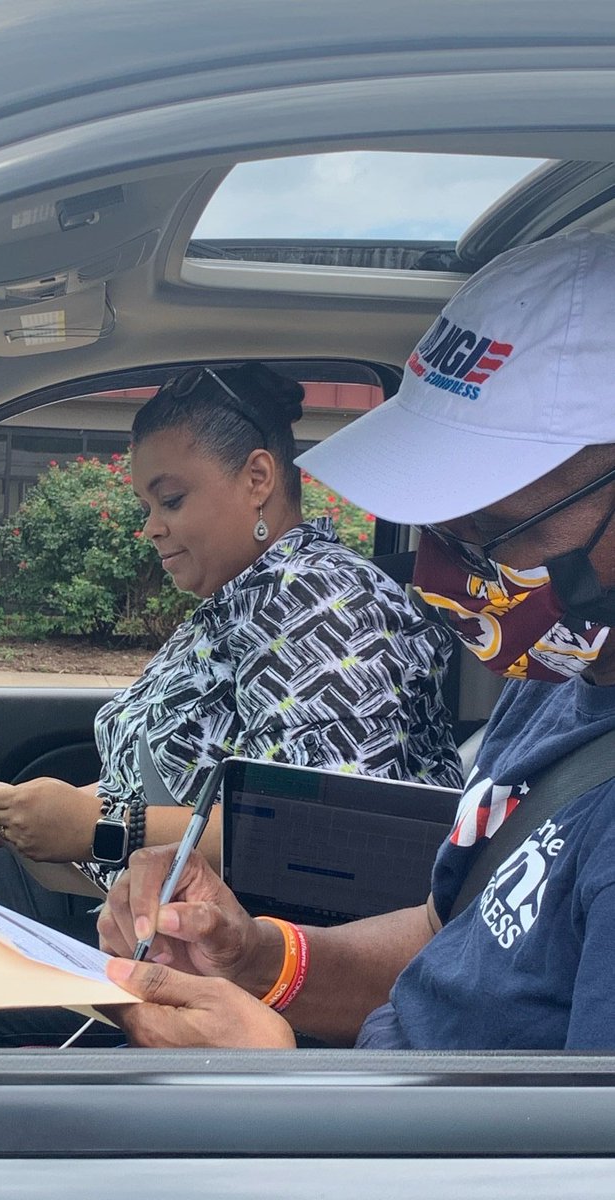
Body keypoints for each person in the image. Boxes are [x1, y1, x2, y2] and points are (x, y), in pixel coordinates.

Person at [98, 230, 615, 1052]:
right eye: (434, 522)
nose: (439, 568)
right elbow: (447, 938)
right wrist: (254, 959)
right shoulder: (558, 685)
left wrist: (273, 1084)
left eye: (488, 524)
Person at [0, 360, 462, 1043]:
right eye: (146, 507)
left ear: (258, 479)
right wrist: (26, 818)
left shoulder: (324, 606)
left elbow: (319, 843)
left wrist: (100, 826)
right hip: (147, 909)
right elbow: (180, 782)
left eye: (170, 500)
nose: (151, 527)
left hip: (233, 960)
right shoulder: (241, 599)